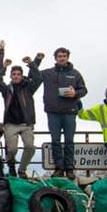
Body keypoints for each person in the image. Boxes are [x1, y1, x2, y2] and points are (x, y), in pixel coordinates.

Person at [0, 53, 44, 178]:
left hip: (26, 123)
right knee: (12, 150)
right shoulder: (6, 89)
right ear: (10, 76)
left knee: (30, 147)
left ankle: (22, 170)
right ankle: (11, 165)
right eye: (13, 74)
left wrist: (31, 64)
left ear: (21, 76)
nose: (16, 76)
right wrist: (4, 67)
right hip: (10, 124)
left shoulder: (29, 88)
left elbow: (38, 78)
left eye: (18, 74)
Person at [41, 47, 87, 179]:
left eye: (64, 56)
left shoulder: (75, 73)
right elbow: (34, 75)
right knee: (55, 141)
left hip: (69, 112)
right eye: (59, 56)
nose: (62, 58)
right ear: (55, 58)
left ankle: (69, 168)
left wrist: (75, 93)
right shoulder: (48, 73)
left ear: (67, 57)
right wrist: (34, 61)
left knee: (69, 141)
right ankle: (59, 168)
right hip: (53, 112)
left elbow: (84, 90)